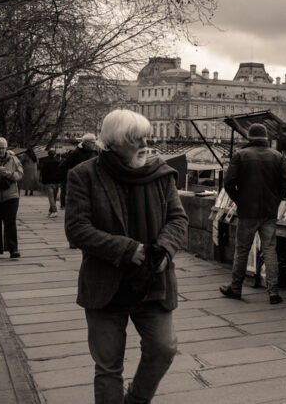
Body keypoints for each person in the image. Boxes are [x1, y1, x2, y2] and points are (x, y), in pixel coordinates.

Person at [65, 109, 187, 404]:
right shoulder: (84, 175)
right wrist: (126, 249)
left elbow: (178, 219)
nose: (145, 143)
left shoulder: (161, 172)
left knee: (163, 348)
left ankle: (135, 400)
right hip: (106, 284)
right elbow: (77, 229)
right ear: (115, 143)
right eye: (136, 139)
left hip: (152, 281)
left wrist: (164, 249)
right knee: (108, 367)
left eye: (145, 136)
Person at [220, 123, 286, 304]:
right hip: (269, 212)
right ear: (266, 138)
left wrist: (239, 200)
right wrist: (275, 200)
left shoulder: (240, 155)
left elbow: (228, 184)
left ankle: (236, 288)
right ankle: (273, 292)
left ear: (249, 138)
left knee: (242, 250)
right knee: (270, 250)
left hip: (247, 212)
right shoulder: (277, 156)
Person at [60, 133, 98, 209]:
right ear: (86, 143)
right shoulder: (75, 153)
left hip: (93, 182)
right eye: (93, 143)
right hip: (80, 182)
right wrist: (68, 179)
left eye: (95, 142)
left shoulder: (95, 153)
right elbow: (64, 167)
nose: (95, 144)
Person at [39, 148, 61, 218]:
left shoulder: (45, 162)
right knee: (53, 197)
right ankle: (51, 211)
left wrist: (43, 181)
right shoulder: (58, 162)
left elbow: (43, 173)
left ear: (48, 154)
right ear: (54, 154)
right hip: (56, 182)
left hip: (48, 182)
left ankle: (54, 211)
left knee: (51, 198)